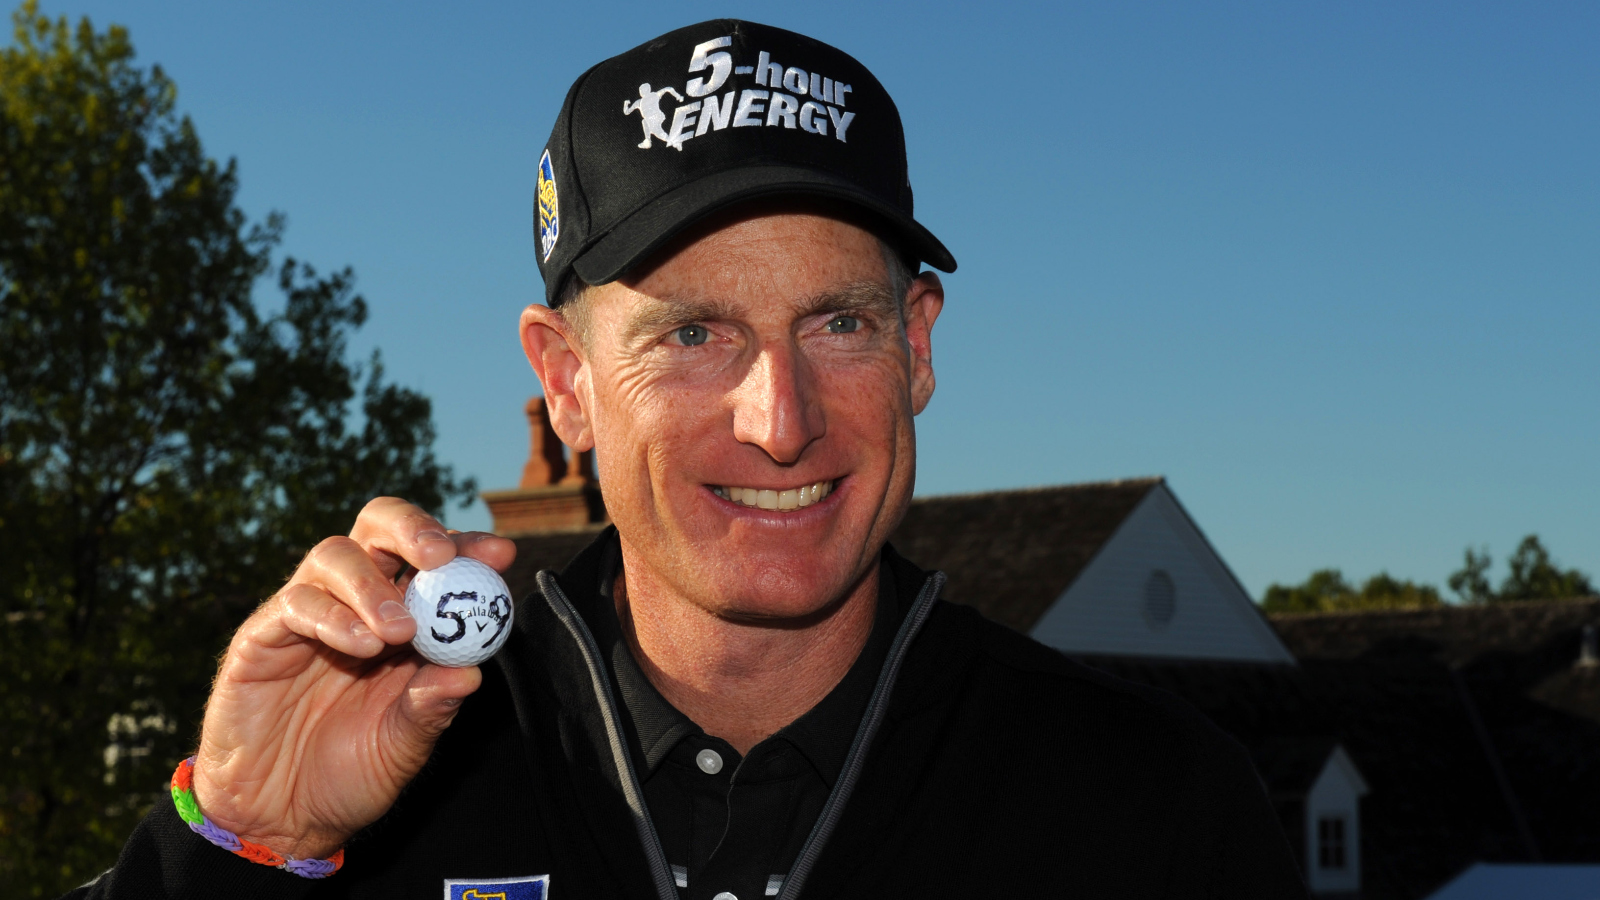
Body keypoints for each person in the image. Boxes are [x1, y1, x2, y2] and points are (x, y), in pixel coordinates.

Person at [71, 20, 1306, 900]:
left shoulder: (1152, 805)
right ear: (565, 382)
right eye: (694, 333)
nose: (782, 419)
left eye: (839, 323)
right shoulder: (395, 767)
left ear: (919, 345)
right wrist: (244, 848)